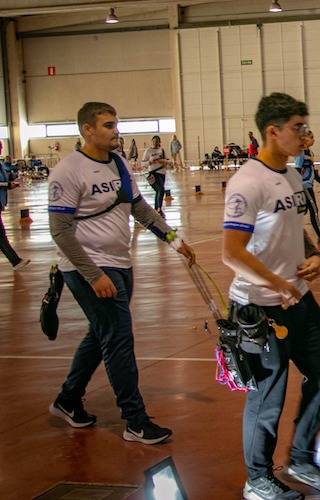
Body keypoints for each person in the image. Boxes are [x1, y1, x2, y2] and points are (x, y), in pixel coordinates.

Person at [47, 101, 195, 443]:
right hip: (90, 268)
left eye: (116, 124)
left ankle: (68, 399)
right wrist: (93, 274)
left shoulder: (119, 164)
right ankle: (134, 419)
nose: (116, 131)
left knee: (102, 335)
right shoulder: (68, 171)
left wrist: (173, 238)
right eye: (108, 125)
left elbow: (139, 207)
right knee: (119, 339)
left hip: (121, 263)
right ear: (88, 129)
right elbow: (60, 230)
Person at [222, 92, 320, 500]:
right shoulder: (246, 183)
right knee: (267, 398)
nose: (304, 134)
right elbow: (231, 252)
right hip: (258, 308)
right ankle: (257, 478)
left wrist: (315, 256)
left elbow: (296, 231)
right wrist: (276, 284)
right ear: (272, 131)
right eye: (297, 127)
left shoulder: (291, 175)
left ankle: (301, 458)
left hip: (299, 299)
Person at [295, 131, 320, 244]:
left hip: (308, 185)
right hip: (304, 186)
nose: (314, 140)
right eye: (311, 138)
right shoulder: (300, 153)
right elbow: (297, 169)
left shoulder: (309, 152)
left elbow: (312, 170)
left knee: (302, 211)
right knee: (313, 210)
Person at [0, 158, 29, 270]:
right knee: (1, 236)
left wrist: (13, 181)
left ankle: (15, 261)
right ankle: (15, 261)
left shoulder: (1, 165)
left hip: (0, 202)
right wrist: (7, 185)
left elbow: (6, 177)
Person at [141, 135, 169, 216]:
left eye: (157, 141)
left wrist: (161, 161)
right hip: (153, 173)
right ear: (152, 141)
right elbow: (143, 163)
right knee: (161, 189)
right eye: (154, 141)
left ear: (159, 142)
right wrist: (150, 162)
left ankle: (157, 209)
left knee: (159, 191)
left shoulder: (162, 150)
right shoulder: (148, 151)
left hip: (162, 173)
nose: (155, 143)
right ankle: (159, 209)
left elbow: (167, 161)